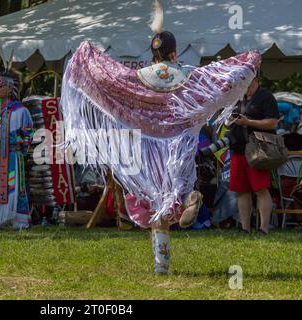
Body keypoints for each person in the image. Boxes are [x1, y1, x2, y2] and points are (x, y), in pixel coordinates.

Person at [61, 0, 260, 274]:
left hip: (149, 150)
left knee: (155, 203)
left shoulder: (139, 77)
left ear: (153, 52)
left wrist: (86, 56)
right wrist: (247, 61)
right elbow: (218, 80)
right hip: (179, 144)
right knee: (175, 192)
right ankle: (190, 197)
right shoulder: (188, 75)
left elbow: (111, 81)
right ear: (174, 52)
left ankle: (161, 265)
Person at [0, 63, 34, 231]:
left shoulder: (20, 110)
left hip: (11, 155)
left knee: (15, 187)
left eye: (1, 86)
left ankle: (20, 222)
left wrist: (15, 142)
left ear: (10, 89)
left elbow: (28, 134)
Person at [228, 75, 280, 235]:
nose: (244, 86)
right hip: (238, 149)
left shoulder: (266, 97)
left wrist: (248, 122)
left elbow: (273, 122)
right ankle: (245, 228)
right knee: (242, 190)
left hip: (258, 150)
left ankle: (263, 228)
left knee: (261, 190)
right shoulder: (238, 97)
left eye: (246, 83)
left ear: (255, 80)